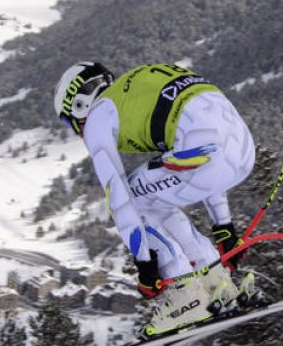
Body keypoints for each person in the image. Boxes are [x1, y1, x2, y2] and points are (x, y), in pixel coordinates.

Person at [53, 61, 257, 336]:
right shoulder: (133, 90)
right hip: (244, 154)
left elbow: (118, 195)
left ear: (77, 105)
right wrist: (224, 225)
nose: (77, 131)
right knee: (152, 197)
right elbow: (212, 142)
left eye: (69, 121)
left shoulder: (98, 116)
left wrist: (145, 264)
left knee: (133, 198)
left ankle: (183, 293)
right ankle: (214, 280)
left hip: (207, 157)